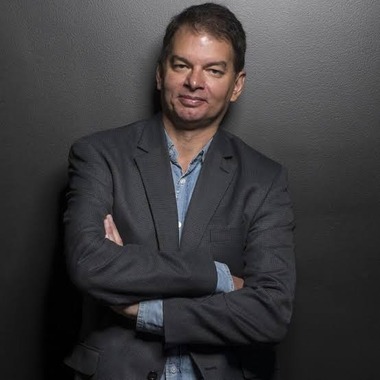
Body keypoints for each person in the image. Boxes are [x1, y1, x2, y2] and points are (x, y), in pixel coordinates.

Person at [64, 3, 295, 379]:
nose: (194, 82)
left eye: (214, 70)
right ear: (160, 74)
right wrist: (218, 278)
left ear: (237, 84)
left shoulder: (264, 179)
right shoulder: (99, 156)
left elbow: (270, 313)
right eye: (181, 65)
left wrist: (144, 310)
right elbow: (89, 264)